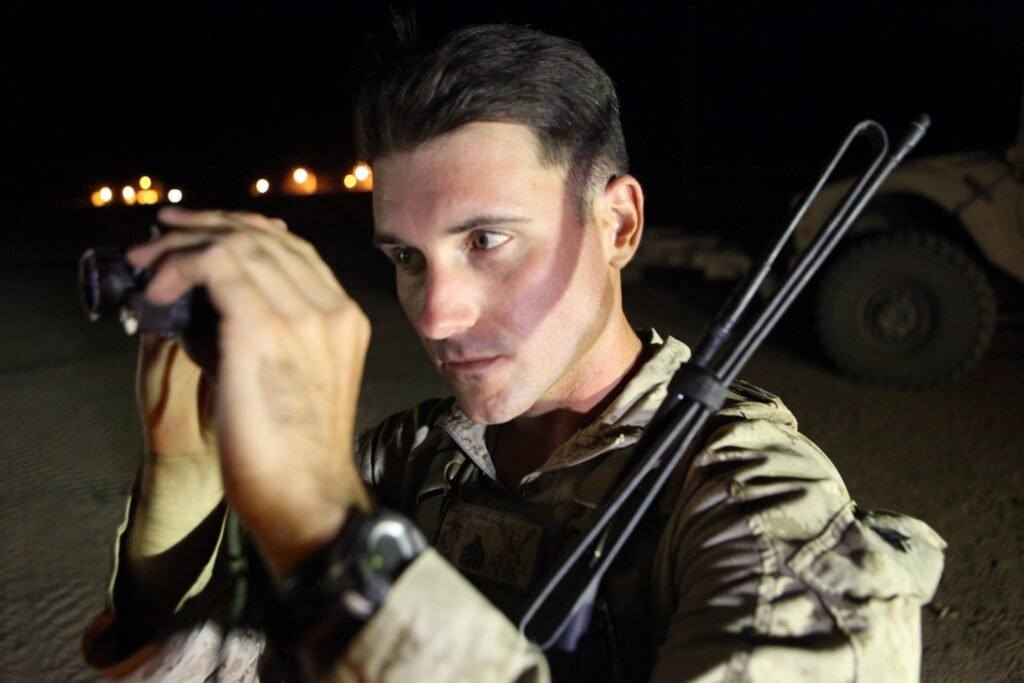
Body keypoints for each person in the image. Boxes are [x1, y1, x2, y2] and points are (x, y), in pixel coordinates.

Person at [82, 23, 945, 682]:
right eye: (406, 258)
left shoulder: (752, 507)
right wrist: (184, 468)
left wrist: (328, 531)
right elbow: (198, 661)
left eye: (487, 239)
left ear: (619, 224)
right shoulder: (412, 457)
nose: (435, 311)